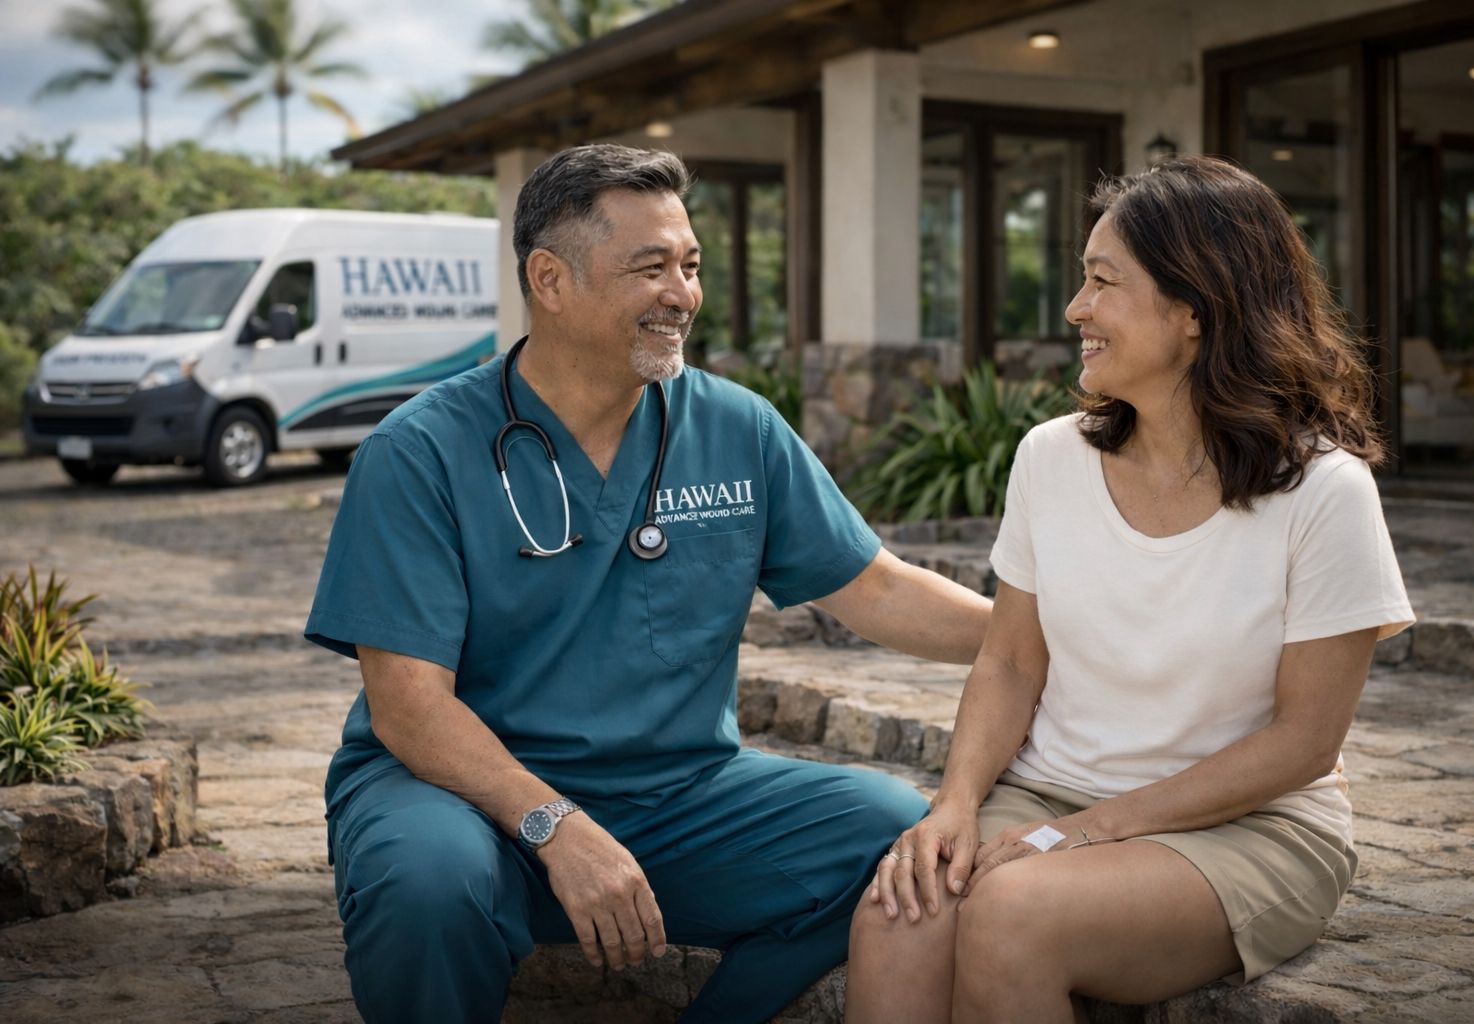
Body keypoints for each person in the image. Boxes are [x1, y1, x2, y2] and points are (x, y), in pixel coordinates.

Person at [304, 143, 992, 1024]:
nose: (684, 294)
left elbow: (876, 589)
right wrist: (556, 825)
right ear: (549, 280)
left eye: (692, 265)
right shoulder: (420, 451)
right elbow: (407, 706)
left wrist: (1039, 633)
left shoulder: (736, 427)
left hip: (676, 802)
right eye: (651, 267)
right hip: (459, 796)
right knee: (427, 886)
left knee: (891, 835)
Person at [846, 155, 1415, 1023]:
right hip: (1046, 791)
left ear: (1194, 309)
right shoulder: (1051, 456)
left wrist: (1085, 834)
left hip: (1249, 828)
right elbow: (1008, 659)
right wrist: (955, 804)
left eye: (1102, 283)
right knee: (902, 907)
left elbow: (1305, 741)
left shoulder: (1324, 490)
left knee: (1013, 915)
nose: (1076, 309)